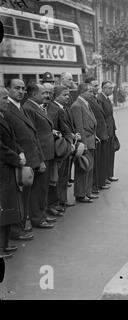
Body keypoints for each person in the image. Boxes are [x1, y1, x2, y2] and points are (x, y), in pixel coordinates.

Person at [3, 79, 43, 239]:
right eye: (16, 88)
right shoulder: (7, 108)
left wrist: (38, 158)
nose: (21, 91)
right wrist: (18, 155)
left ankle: (21, 224)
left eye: (23, 88)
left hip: (28, 159)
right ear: (8, 89)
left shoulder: (21, 107)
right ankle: (15, 230)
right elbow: (9, 138)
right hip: (18, 160)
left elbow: (32, 134)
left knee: (25, 197)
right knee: (16, 199)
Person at [22, 83, 56, 228]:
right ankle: (37, 218)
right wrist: (40, 159)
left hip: (47, 153)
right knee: (38, 188)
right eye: (43, 93)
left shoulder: (35, 107)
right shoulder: (29, 108)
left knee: (43, 187)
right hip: (40, 154)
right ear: (34, 94)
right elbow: (32, 136)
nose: (46, 96)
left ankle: (41, 214)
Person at [0, 97, 25, 258]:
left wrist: (20, 151)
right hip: (3, 168)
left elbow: (11, 141)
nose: (6, 101)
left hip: (7, 168)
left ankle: (4, 243)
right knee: (2, 207)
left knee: (8, 206)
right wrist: (17, 158)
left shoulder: (3, 116)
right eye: (3, 98)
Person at [46, 85, 76, 213]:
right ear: (56, 96)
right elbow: (63, 129)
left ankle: (61, 200)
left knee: (63, 176)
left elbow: (67, 129)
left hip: (63, 147)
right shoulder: (56, 109)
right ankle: (58, 201)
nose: (68, 97)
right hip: (59, 149)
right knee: (58, 177)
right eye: (65, 94)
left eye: (68, 94)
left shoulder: (63, 108)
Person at [70, 83, 97, 203]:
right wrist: (84, 144)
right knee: (83, 167)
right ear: (82, 92)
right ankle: (80, 194)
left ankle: (87, 191)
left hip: (91, 139)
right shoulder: (77, 105)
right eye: (90, 91)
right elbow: (79, 127)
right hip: (85, 141)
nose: (92, 93)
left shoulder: (85, 103)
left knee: (89, 167)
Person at [84, 77, 110, 194]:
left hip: (101, 134)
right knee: (95, 162)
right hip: (97, 135)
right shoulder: (89, 100)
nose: (97, 88)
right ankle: (95, 185)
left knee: (100, 160)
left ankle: (100, 182)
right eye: (94, 86)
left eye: (97, 86)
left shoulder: (95, 98)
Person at [97, 81, 119, 182]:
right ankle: (105, 176)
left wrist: (114, 129)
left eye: (112, 88)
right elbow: (101, 118)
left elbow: (111, 116)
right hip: (106, 132)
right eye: (109, 88)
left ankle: (110, 174)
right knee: (105, 156)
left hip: (110, 130)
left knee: (111, 154)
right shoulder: (100, 99)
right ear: (104, 88)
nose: (111, 90)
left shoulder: (106, 98)